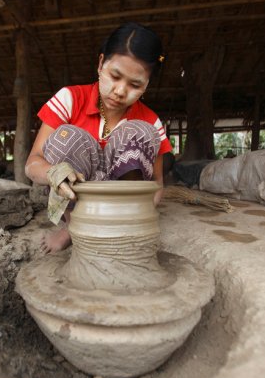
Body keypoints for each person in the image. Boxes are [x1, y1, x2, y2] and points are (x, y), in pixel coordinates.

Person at [25, 22, 172, 253]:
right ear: (101, 63)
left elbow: (157, 184)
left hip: (123, 211)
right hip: (76, 203)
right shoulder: (70, 99)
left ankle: (117, 227)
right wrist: (53, 173)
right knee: (68, 136)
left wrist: (141, 219)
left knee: (141, 132)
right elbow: (32, 163)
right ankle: (73, 227)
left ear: (147, 85)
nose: (120, 90)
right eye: (115, 76)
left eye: (135, 84)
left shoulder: (150, 120)